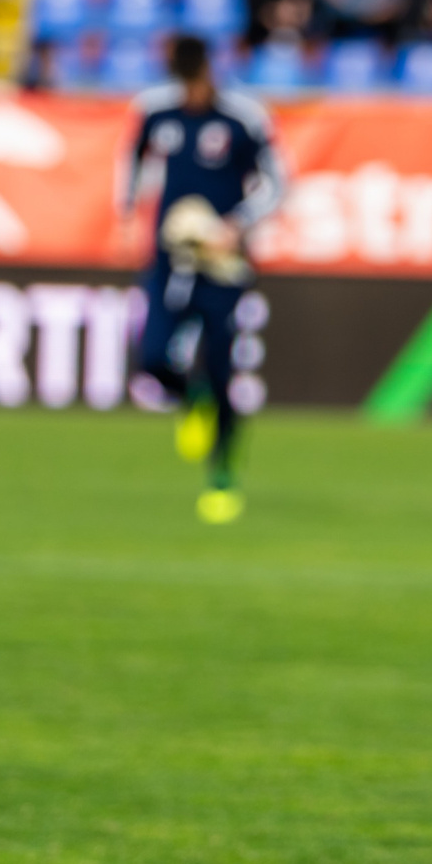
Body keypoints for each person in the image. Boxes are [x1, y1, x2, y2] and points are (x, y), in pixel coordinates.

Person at [121, 33, 289, 524]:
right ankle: (190, 399)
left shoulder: (244, 116)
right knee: (152, 357)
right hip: (171, 260)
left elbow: (279, 181)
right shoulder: (155, 112)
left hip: (222, 265)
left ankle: (222, 478)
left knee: (222, 369)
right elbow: (130, 166)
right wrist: (128, 210)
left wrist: (236, 225)